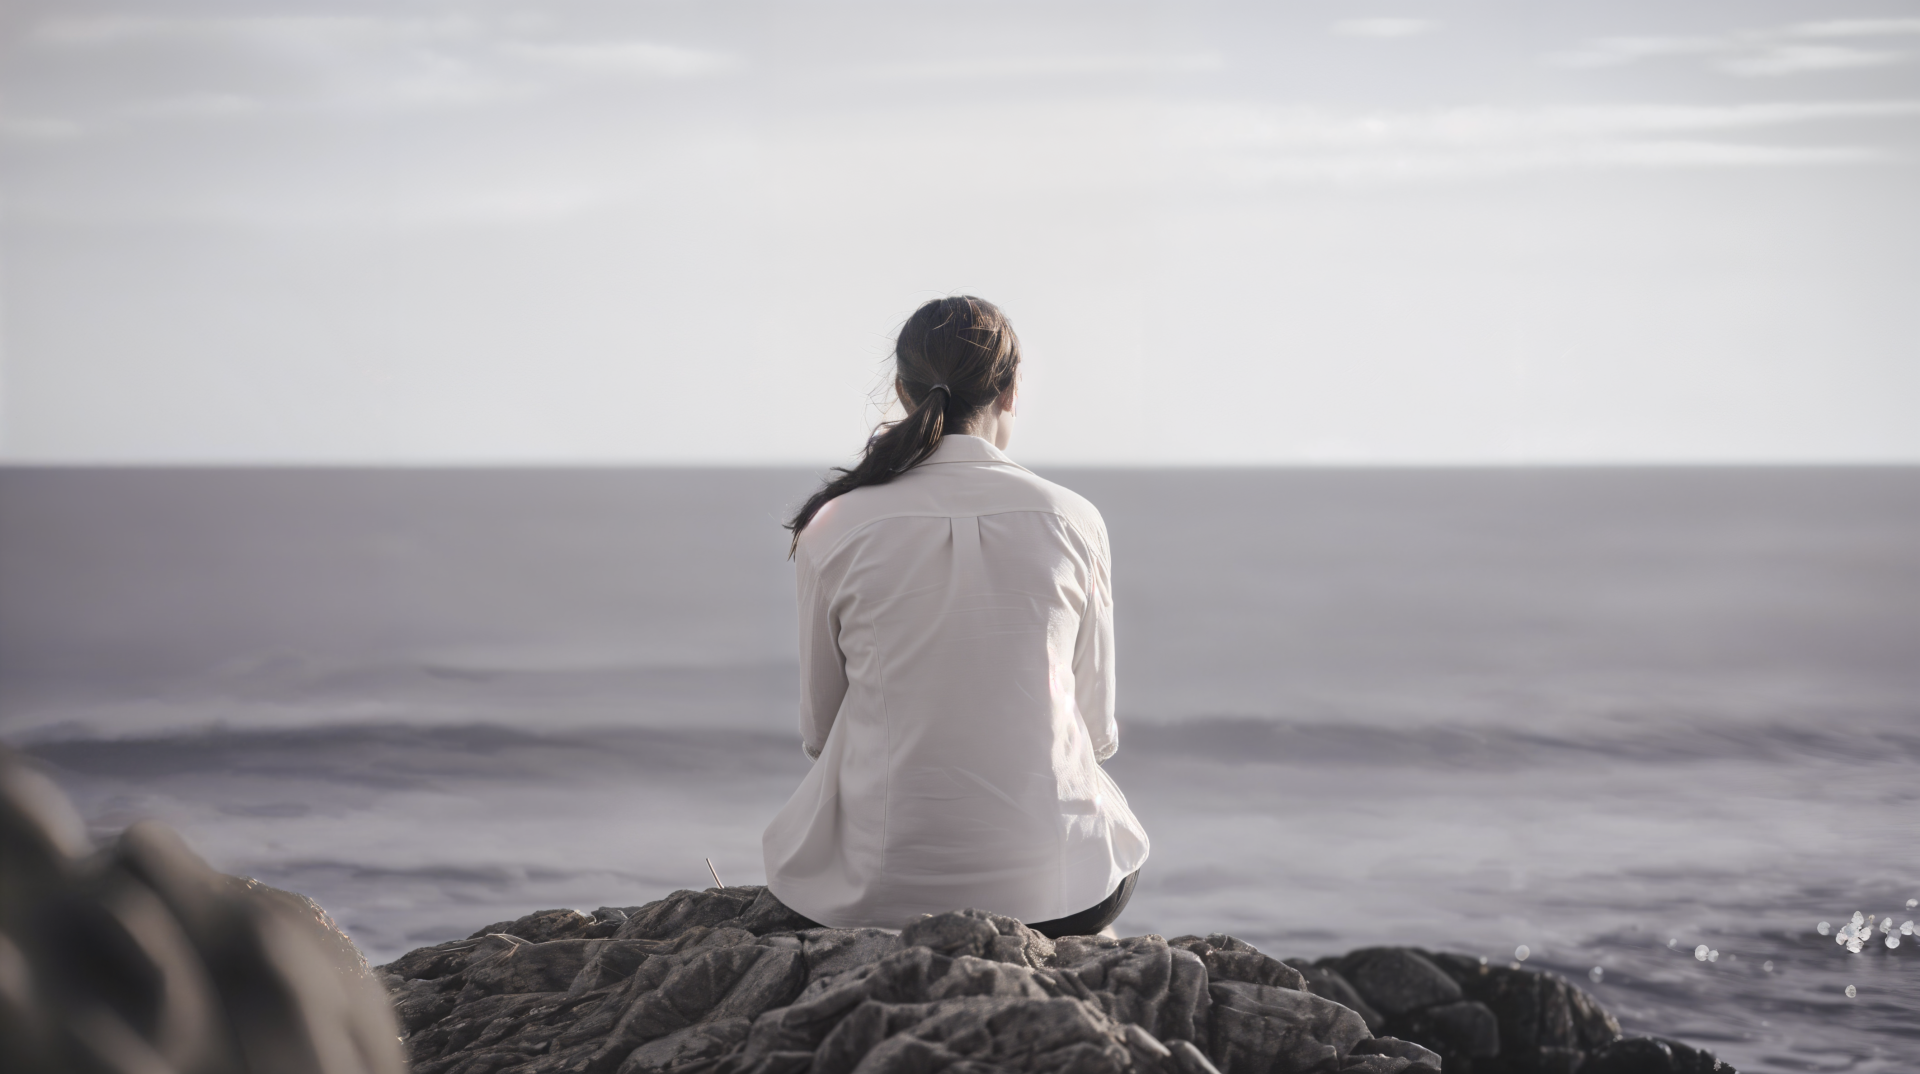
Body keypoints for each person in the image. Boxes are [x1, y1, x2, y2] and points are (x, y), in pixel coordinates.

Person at [762, 296, 1149, 938]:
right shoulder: (1074, 520)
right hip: (1059, 896)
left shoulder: (835, 524)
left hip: (871, 892)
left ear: (902, 392)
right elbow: (1096, 730)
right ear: (1011, 390)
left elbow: (820, 731)